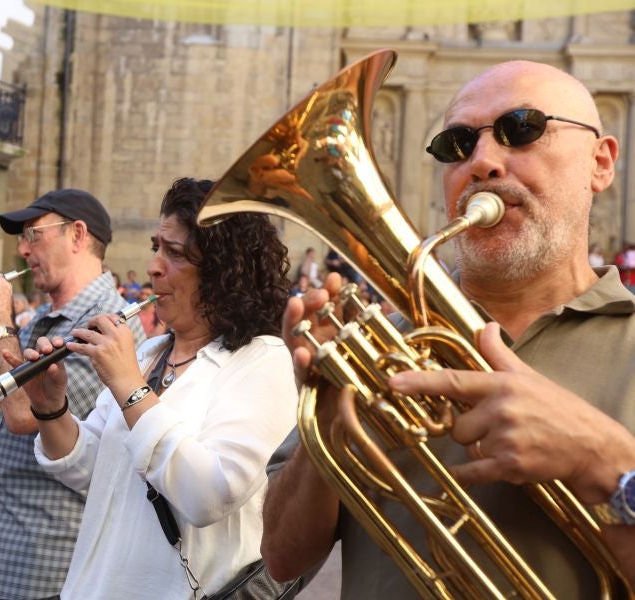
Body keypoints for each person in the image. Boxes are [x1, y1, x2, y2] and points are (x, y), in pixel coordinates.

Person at [260, 60, 635, 596]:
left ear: (600, 162)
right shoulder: (381, 345)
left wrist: (609, 463)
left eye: (522, 129)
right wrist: (328, 428)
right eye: (456, 144)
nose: (481, 162)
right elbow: (281, 556)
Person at [17, 178, 297, 599]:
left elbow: (210, 494)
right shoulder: (150, 352)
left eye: (176, 253)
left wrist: (129, 385)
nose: (153, 266)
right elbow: (94, 469)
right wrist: (50, 407)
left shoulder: (263, 360)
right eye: (156, 247)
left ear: (224, 271)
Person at [0, 188, 146, 599]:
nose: (23, 250)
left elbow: (24, 415)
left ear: (77, 235)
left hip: (50, 553)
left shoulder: (107, 324)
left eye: (33, 235)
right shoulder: (48, 317)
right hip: (14, 545)